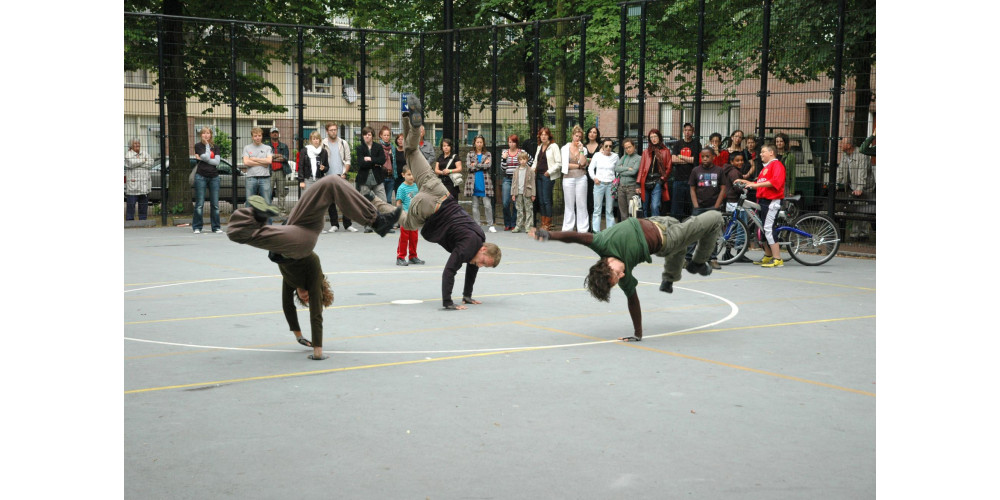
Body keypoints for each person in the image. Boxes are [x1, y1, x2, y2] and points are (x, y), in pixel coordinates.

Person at [226, 177, 401, 360]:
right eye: (310, 295)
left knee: (236, 233)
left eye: (305, 299)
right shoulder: (313, 275)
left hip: (292, 235)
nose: (306, 296)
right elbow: (316, 313)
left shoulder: (291, 282)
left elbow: (287, 306)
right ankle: (376, 221)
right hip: (303, 236)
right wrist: (318, 351)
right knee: (331, 182)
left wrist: (299, 336)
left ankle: (258, 216)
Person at [527, 210, 722, 342]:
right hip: (667, 239)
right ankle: (696, 263)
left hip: (660, 221)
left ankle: (670, 278)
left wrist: (549, 235)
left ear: (607, 265)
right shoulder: (625, 274)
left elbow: (575, 237)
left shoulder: (601, 243)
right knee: (715, 218)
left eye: (616, 275)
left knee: (682, 242)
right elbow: (633, 301)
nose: (622, 276)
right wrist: (637, 334)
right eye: (618, 279)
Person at [398, 96, 502, 310]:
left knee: (411, 151)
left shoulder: (480, 239)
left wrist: (467, 295)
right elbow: (450, 270)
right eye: (484, 262)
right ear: (483, 251)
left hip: (438, 190)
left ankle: (409, 119)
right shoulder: (468, 248)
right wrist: (448, 302)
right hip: (430, 207)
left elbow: (472, 269)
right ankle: (382, 211)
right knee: (406, 222)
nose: (480, 265)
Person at [734, 143, 785, 268]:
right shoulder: (765, 167)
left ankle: (777, 259)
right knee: (761, 228)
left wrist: (755, 185)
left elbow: (775, 182)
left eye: (763, 152)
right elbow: (760, 182)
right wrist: (748, 182)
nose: (761, 154)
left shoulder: (777, 165)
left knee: (768, 228)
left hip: (772, 200)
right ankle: (768, 255)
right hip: (763, 200)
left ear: (771, 153)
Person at [686, 148, 727, 269]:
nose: (704, 159)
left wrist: (716, 205)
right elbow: (692, 188)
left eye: (707, 156)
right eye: (702, 156)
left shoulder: (719, 171)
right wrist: (695, 205)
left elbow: (723, 188)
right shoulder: (696, 170)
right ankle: (687, 258)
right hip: (699, 206)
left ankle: (713, 258)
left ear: (713, 157)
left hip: (713, 206)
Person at [836, 137, 875, 239]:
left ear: (849, 145)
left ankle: (860, 233)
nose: (840, 145)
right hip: (854, 186)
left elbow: (863, 172)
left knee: (861, 209)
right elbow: (840, 170)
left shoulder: (862, 155)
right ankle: (859, 232)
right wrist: (835, 183)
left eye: (842, 143)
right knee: (857, 208)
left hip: (865, 186)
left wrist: (860, 188)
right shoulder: (845, 155)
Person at [321, 122, 356, 233]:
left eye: (335, 130)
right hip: (328, 176)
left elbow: (348, 159)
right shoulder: (323, 143)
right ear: (327, 131)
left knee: (345, 200)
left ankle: (348, 224)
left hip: (341, 175)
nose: (333, 132)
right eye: (331, 130)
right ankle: (334, 224)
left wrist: (345, 172)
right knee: (331, 202)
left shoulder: (343, 142)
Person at [356, 126, 388, 233]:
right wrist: (375, 162)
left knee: (382, 200)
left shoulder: (378, 147)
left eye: (369, 134)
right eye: (365, 134)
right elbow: (360, 163)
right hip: (364, 179)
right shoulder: (360, 148)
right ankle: (368, 224)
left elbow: (382, 160)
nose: (367, 136)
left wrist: (370, 159)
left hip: (377, 178)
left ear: (372, 136)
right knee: (366, 202)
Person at [721, 153, 752, 263]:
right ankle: (740, 252)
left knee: (732, 227)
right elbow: (738, 186)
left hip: (730, 202)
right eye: (737, 160)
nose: (740, 162)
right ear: (732, 162)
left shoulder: (729, 170)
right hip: (737, 203)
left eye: (741, 160)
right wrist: (747, 186)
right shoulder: (734, 172)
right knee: (741, 228)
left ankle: (728, 252)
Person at [636, 128, 672, 218]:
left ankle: (655, 226)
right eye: (651, 137)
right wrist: (638, 184)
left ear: (659, 137)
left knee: (655, 206)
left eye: (655, 136)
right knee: (644, 206)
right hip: (646, 181)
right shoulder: (646, 152)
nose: (653, 139)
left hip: (657, 181)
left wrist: (662, 180)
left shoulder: (666, 151)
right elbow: (641, 168)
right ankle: (645, 227)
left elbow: (668, 167)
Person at [560, 125, 590, 232]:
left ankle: (583, 229)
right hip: (568, 178)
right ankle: (568, 228)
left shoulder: (584, 149)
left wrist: (581, 151)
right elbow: (564, 165)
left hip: (581, 178)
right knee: (569, 204)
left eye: (580, 137)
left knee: (581, 203)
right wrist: (578, 166)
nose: (578, 138)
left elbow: (583, 163)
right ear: (572, 135)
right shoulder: (564, 148)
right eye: (576, 136)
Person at [242, 127, 275, 223]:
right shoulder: (247, 148)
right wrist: (262, 163)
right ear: (252, 137)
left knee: (267, 202)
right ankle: (248, 225)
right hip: (251, 178)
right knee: (249, 203)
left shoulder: (267, 148)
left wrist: (253, 159)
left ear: (262, 136)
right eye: (255, 136)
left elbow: (269, 161)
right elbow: (246, 162)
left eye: (259, 136)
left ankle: (268, 226)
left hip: (265, 178)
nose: (257, 138)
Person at [193, 126, 222, 234]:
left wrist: (206, 158)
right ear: (201, 135)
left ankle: (216, 227)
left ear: (211, 135)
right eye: (204, 133)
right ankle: (197, 227)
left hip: (214, 177)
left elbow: (217, 162)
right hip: (201, 176)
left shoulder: (216, 147)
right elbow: (204, 157)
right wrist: (207, 148)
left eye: (208, 133)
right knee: (199, 203)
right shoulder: (198, 146)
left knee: (215, 204)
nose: (206, 135)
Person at [465, 135, 496, 233]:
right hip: (473, 182)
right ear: (474, 143)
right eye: (477, 142)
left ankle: (490, 224)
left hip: (485, 182)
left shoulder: (488, 154)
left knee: (487, 205)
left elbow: (488, 166)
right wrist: (481, 165)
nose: (479, 144)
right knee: (475, 205)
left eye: (481, 142)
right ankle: (477, 225)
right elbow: (469, 167)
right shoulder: (470, 154)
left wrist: (476, 164)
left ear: (483, 143)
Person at [670, 122, 701, 219]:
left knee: (690, 204)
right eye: (686, 130)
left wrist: (681, 157)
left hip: (692, 179)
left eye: (689, 130)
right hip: (678, 179)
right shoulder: (678, 143)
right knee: (677, 205)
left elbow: (696, 160)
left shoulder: (696, 144)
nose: (687, 132)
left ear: (693, 132)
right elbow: (673, 159)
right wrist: (688, 160)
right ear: (683, 131)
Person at [394, 166, 424, 266]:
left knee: (414, 237)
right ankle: (400, 257)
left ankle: (413, 256)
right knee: (404, 237)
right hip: (405, 217)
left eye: (413, 174)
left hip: (414, 217)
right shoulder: (402, 188)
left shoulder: (416, 186)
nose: (411, 176)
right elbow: (398, 202)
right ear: (403, 175)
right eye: (409, 174)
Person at [534, 127, 562, 230]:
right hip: (538, 176)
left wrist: (549, 172)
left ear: (549, 135)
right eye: (541, 135)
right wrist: (532, 169)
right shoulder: (539, 146)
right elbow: (536, 162)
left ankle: (548, 223)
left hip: (547, 176)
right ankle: (543, 222)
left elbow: (559, 163)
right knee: (541, 200)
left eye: (545, 134)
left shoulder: (554, 146)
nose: (543, 136)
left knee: (546, 200)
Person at [588, 138, 618, 232]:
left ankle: (610, 232)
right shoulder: (597, 155)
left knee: (609, 210)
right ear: (602, 146)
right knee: (597, 209)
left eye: (610, 146)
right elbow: (590, 168)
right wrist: (594, 178)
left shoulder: (615, 156)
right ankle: (596, 232)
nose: (608, 148)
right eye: (606, 146)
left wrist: (615, 181)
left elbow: (618, 170)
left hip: (611, 185)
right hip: (599, 184)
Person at [499, 134, 528, 231]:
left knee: (517, 203)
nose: (511, 144)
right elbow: (503, 168)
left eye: (513, 142)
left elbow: (530, 161)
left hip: (518, 179)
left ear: (516, 143)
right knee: (505, 202)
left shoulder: (521, 152)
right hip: (507, 179)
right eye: (510, 142)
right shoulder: (504, 152)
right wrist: (504, 158)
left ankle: (514, 223)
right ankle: (507, 223)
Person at [124, 138, 152, 221]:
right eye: (135, 144)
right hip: (133, 185)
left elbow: (151, 162)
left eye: (138, 143)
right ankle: (130, 221)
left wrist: (138, 162)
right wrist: (143, 160)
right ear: (131, 146)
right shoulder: (128, 154)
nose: (137, 145)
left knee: (143, 204)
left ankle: (143, 220)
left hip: (144, 185)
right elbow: (131, 163)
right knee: (131, 204)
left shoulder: (144, 153)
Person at [615, 138, 641, 222]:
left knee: (632, 211)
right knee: (623, 212)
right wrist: (627, 168)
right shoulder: (624, 157)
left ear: (634, 146)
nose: (628, 149)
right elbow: (616, 168)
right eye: (626, 148)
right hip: (621, 187)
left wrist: (622, 170)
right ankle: (625, 230)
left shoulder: (638, 158)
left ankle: (632, 231)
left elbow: (634, 172)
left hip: (631, 187)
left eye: (629, 147)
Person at [511, 150, 536, 233]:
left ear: (527, 160)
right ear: (518, 161)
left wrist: (533, 194)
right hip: (518, 193)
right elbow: (513, 183)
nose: (523, 161)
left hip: (527, 193)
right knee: (519, 210)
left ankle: (528, 227)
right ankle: (518, 226)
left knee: (529, 209)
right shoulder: (516, 171)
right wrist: (513, 193)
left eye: (524, 159)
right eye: (521, 159)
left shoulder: (531, 170)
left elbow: (533, 182)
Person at [584, 126, 602, 231]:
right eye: (590, 132)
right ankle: (586, 225)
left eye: (594, 132)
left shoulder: (600, 147)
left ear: (597, 135)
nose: (592, 134)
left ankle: (595, 227)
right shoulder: (584, 146)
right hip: (585, 175)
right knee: (586, 200)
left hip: (596, 176)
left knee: (595, 202)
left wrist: (588, 160)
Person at [268, 128, 291, 209]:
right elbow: (267, 158)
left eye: (276, 132)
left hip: (281, 171)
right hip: (270, 172)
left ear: (278, 134)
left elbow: (285, 158)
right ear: (270, 134)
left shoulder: (284, 146)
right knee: (268, 192)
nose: (275, 134)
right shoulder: (266, 146)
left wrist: (273, 157)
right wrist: (279, 155)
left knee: (281, 192)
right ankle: (268, 210)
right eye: (273, 132)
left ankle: (281, 210)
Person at [774, 132, 797, 198]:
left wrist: (791, 191)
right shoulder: (772, 155)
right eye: (777, 141)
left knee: (784, 204)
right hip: (773, 183)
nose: (779, 143)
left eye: (781, 141)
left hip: (784, 184)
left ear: (785, 142)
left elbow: (792, 174)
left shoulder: (790, 156)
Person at [379, 125, 397, 206]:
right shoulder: (378, 147)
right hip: (381, 176)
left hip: (391, 177)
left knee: (389, 201)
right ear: (381, 135)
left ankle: (388, 218)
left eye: (388, 135)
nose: (386, 137)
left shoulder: (392, 148)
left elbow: (394, 162)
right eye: (384, 135)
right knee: (382, 200)